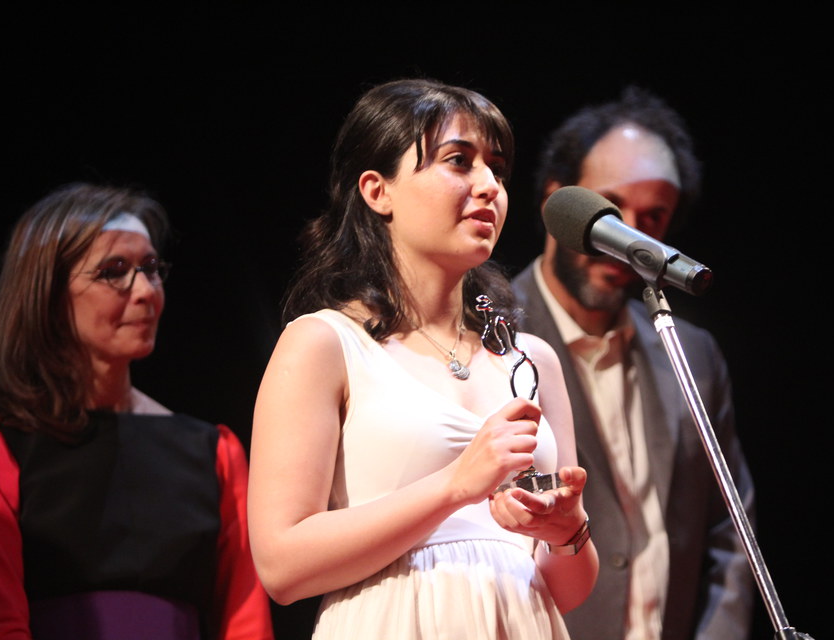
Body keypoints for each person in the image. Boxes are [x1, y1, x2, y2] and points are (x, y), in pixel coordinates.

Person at [247, 78, 599, 639]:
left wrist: (567, 530)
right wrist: (456, 485)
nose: (488, 185)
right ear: (376, 190)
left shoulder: (530, 361)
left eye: (498, 170)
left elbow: (568, 591)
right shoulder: (322, 344)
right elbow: (281, 567)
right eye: (459, 161)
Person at [510, 85, 756, 640]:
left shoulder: (691, 353)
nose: (629, 238)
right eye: (611, 211)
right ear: (560, 202)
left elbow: (730, 529)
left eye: (653, 217)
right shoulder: (489, 338)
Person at [0, 183, 274, 640]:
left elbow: (246, 625)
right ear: (48, 292)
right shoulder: (4, 450)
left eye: (150, 269)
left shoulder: (212, 453)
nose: (145, 291)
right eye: (114, 271)